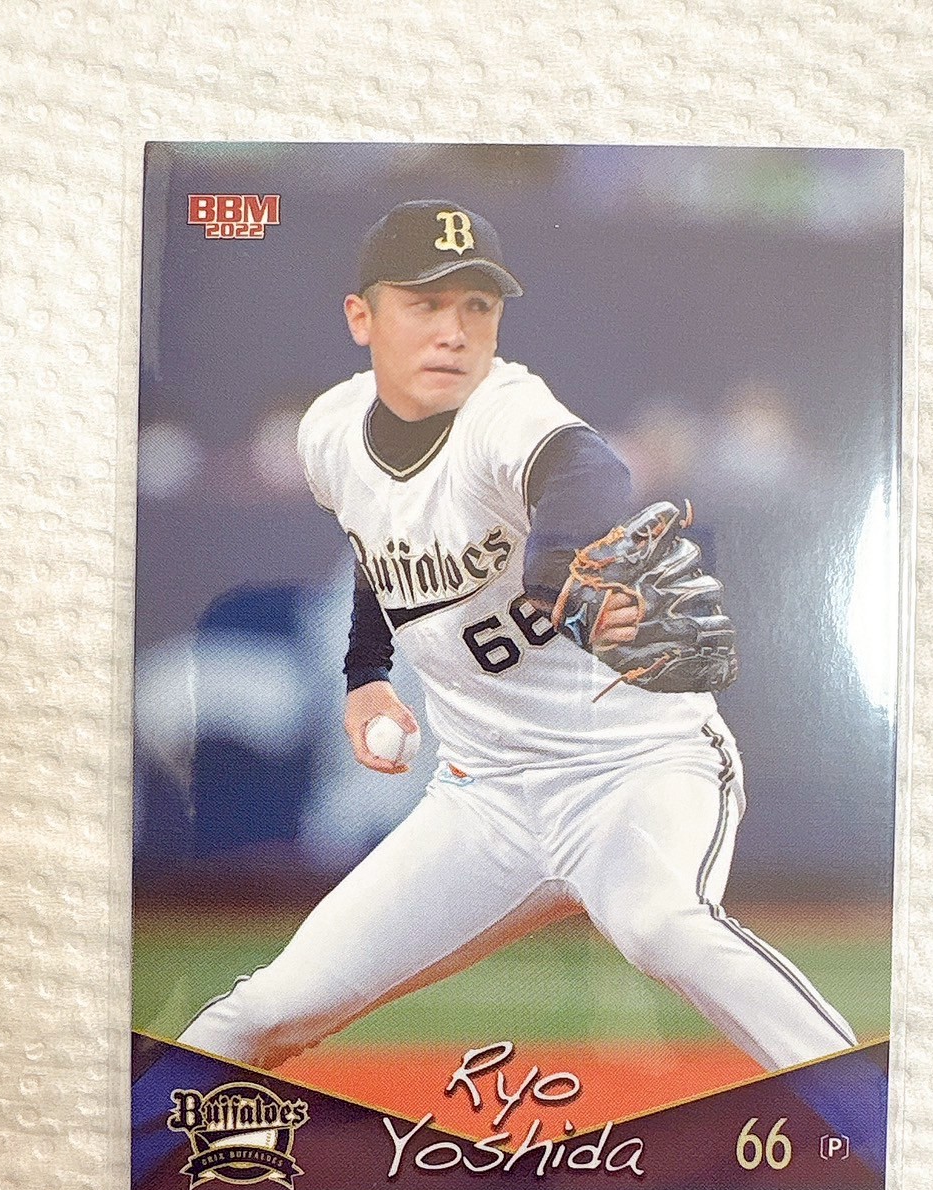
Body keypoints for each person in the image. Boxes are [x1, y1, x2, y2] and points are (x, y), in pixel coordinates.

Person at [179, 200, 856, 1072]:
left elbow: (587, 469)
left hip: (634, 770)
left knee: (662, 926)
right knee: (268, 1010)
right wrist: (365, 670)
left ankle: (868, 1125)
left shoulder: (507, 411)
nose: (453, 329)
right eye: (424, 302)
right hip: (484, 801)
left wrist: (558, 570)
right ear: (362, 317)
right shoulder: (329, 436)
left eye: (477, 304)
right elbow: (378, 541)